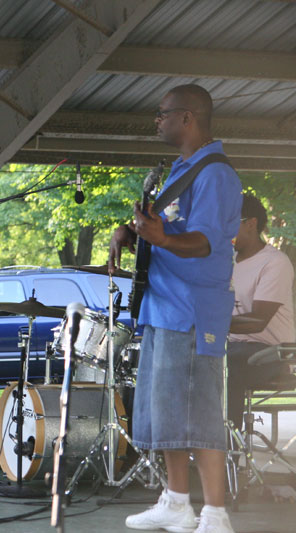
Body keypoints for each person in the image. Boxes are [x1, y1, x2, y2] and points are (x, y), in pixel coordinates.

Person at [109, 84, 242, 533]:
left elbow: (203, 240)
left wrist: (161, 238)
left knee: (199, 413)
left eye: (162, 114)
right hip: (164, 309)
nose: (157, 121)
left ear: (188, 118)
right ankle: (177, 502)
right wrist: (135, 234)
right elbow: (168, 232)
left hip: (192, 311)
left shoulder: (215, 173)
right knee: (168, 414)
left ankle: (216, 514)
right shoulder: (183, 170)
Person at [227, 194, 295, 431]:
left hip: (271, 353)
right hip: (234, 348)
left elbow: (257, 321)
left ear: (251, 224)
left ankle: (227, 454)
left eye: (230, 221)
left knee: (224, 369)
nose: (224, 229)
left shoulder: (275, 262)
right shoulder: (226, 261)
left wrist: (209, 323)